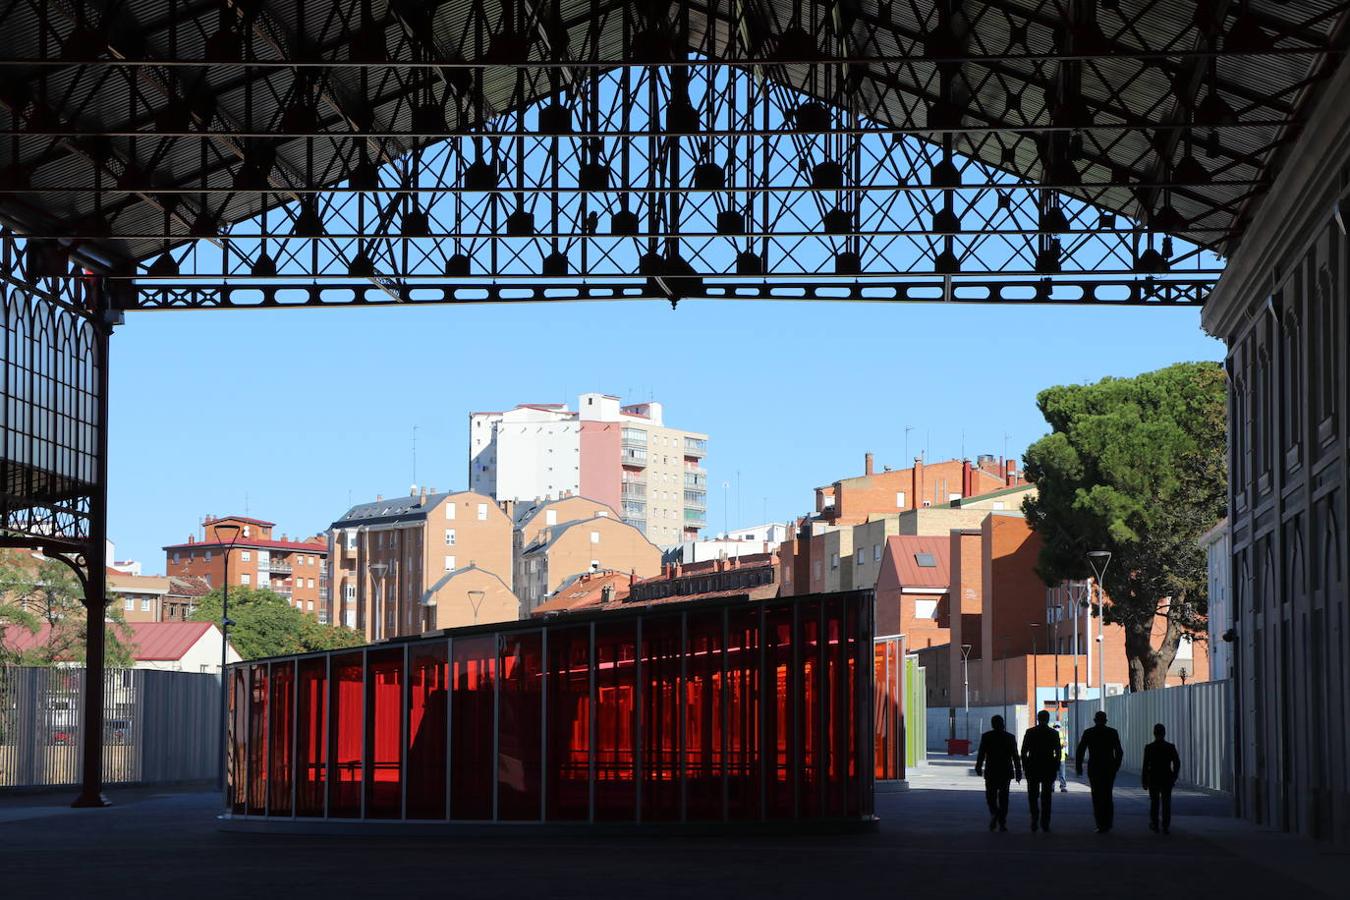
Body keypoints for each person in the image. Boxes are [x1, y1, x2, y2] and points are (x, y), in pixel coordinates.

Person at [1076, 710, 1124, 833]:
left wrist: (1079, 767)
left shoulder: (1088, 733)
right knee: (1107, 795)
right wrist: (1116, 766)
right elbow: (1119, 751)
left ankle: (1100, 824)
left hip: (1095, 768)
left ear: (1095, 720)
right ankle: (1108, 823)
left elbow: (1080, 750)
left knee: (1096, 796)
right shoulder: (1112, 733)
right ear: (1105, 720)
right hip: (1109, 767)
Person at [975, 714, 1022, 832]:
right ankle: (1002, 822)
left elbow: (981, 753)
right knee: (1004, 797)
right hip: (1005, 771)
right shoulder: (1010, 737)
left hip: (991, 771)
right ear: (1003, 724)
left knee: (990, 796)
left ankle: (994, 813)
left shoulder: (987, 736)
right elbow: (1015, 756)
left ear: (992, 724)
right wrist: (1018, 772)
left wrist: (979, 766)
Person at [1021, 710, 1062, 832]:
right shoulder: (1053, 733)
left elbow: (1024, 752)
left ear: (1038, 718)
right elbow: (1058, 753)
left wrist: (1025, 766)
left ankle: (1034, 817)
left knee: (1033, 796)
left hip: (1033, 767)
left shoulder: (1030, 732)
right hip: (1048, 767)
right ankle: (1045, 822)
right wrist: (1055, 766)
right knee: (1046, 796)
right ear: (1048, 719)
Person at [1141, 723, 1182, 834]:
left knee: (1154, 802)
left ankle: (1155, 824)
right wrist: (1174, 776)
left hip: (1153, 778)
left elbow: (1145, 766)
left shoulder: (1149, 748)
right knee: (1166, 802)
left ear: (1154, 733)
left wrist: (1144, 781)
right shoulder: (1170, 747)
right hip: (1166, 778)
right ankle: (1165, 826)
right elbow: (1177, 763)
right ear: (1164, 733)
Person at [1052, 722, 1068, 792]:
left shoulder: (1062, 734)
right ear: (1053, 727)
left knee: (1062, 774)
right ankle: (1051, 787)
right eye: (1056, 726)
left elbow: (1065, 742)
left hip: (1062, 757)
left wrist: (1065, 744)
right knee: (1052, 774)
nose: (1057, 728)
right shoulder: (1051, 734)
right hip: (1053, 757)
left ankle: (1063, 787)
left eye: (1058, 726)